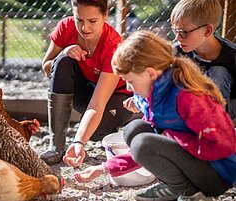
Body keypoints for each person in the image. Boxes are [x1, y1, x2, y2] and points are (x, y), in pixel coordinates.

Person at [72, 30, 236, 201]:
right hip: (195, 164)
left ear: (150, 73)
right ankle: (176, 186)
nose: (128, 88)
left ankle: (192, 194)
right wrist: (104, 168)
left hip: (217, 174)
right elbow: (147, 147)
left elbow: (224, 145)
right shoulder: (154, 96)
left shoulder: (186, 96)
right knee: (134, 130)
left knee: (143, 142)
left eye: (130, 81)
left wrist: (171, 138)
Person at [40, 0, 134, 165]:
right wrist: (64, 52)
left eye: (92, 21)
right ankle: (56, 146)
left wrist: (78, 142)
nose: (85, 28)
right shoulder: (65, 27)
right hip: (88, 90)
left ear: (105, 15)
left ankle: (133, 117)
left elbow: (97, 104)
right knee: (62, 61)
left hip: (117, 96)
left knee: (94, 132)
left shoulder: (113, 44)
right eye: (79, 20)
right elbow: (48, 67)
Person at [170, 0, 236, 121]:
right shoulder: (177, 52)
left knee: (218, 72)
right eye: (175, 31)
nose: (177, 38)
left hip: (225, 110)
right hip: (190, 107)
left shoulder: (232, 56)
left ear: (207, 31)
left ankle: (213, 124)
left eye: (184, 32)